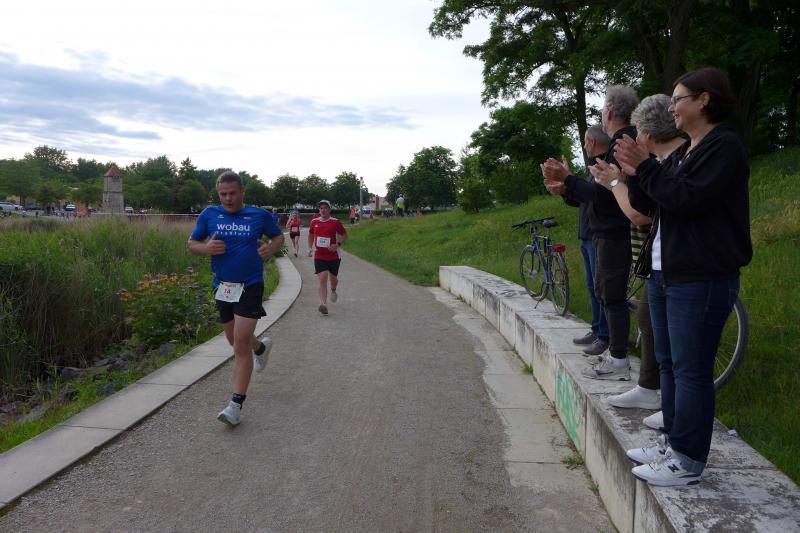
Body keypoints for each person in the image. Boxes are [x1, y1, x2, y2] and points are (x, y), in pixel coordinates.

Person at [613, 67, 751, 486]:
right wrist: (634, 172)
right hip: (668, 274)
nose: (671, 108)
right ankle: (672, 442)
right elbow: (654, 204)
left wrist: (646, 169)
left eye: (677, 99)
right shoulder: (687, 150)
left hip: (701, 277)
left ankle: (688, 460)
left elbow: (688, 200)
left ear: (704, 100)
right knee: (670, 363)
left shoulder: (723, 147)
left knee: (691, 370)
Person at [592, 94, 687, 413]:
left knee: (663, 337)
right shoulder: (667, 161)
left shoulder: (672, 161)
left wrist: (616, 181)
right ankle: (654, 393)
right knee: (649, 323)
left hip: (675, 264)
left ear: (645, 131)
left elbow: (639, 214)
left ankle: (664, 402)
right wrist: (628, 176)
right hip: (660, 260)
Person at [542, 85, 639, 380]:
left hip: (613, 232)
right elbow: (596, 194)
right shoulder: (622, 143)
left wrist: (568, 178)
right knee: (604, 291)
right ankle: (614, 351)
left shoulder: (621, 144)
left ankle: (618, 356)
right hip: (606, 231)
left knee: (611, 294)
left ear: (608, 112)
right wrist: (566, 187)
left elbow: (603, 195)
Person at [188, 171, 285, 426]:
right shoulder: (209, 214)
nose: (228, 199)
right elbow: (192, 243)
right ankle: (260, 348)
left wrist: (271, 248)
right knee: (234, 339)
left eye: (232, 193)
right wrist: (206, 248)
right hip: (223, 286)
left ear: (243, 191)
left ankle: (235, 405)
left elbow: (278, 236)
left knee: (240, 343)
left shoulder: (259, 215)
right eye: (223, 194)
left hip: (250, 284)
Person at [558, 124, 612, 357]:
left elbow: (596, 196)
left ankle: (605, 336)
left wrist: (568, 179)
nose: (584, 145)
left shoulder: (604, 166)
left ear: (591, 142)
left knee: (602, 288)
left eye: (584, 141)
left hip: (598, 236)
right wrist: (563, 190)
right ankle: (597, 329)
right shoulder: (594, 167)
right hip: (588, 235)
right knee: (593, 287)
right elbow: (583, 199)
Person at [308, 199, 348, 315]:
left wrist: (337, 245)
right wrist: (310, 248)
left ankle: (333, 290)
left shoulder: (335, 222)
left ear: (329, 210)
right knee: (323, 277)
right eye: (321, 208)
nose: (323, 210)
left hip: (334, 256)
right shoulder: (314, 221)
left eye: (325, 208)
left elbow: (344, 235)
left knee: (333, 279)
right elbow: (310, 234)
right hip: (319, 255)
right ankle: (323, 304)